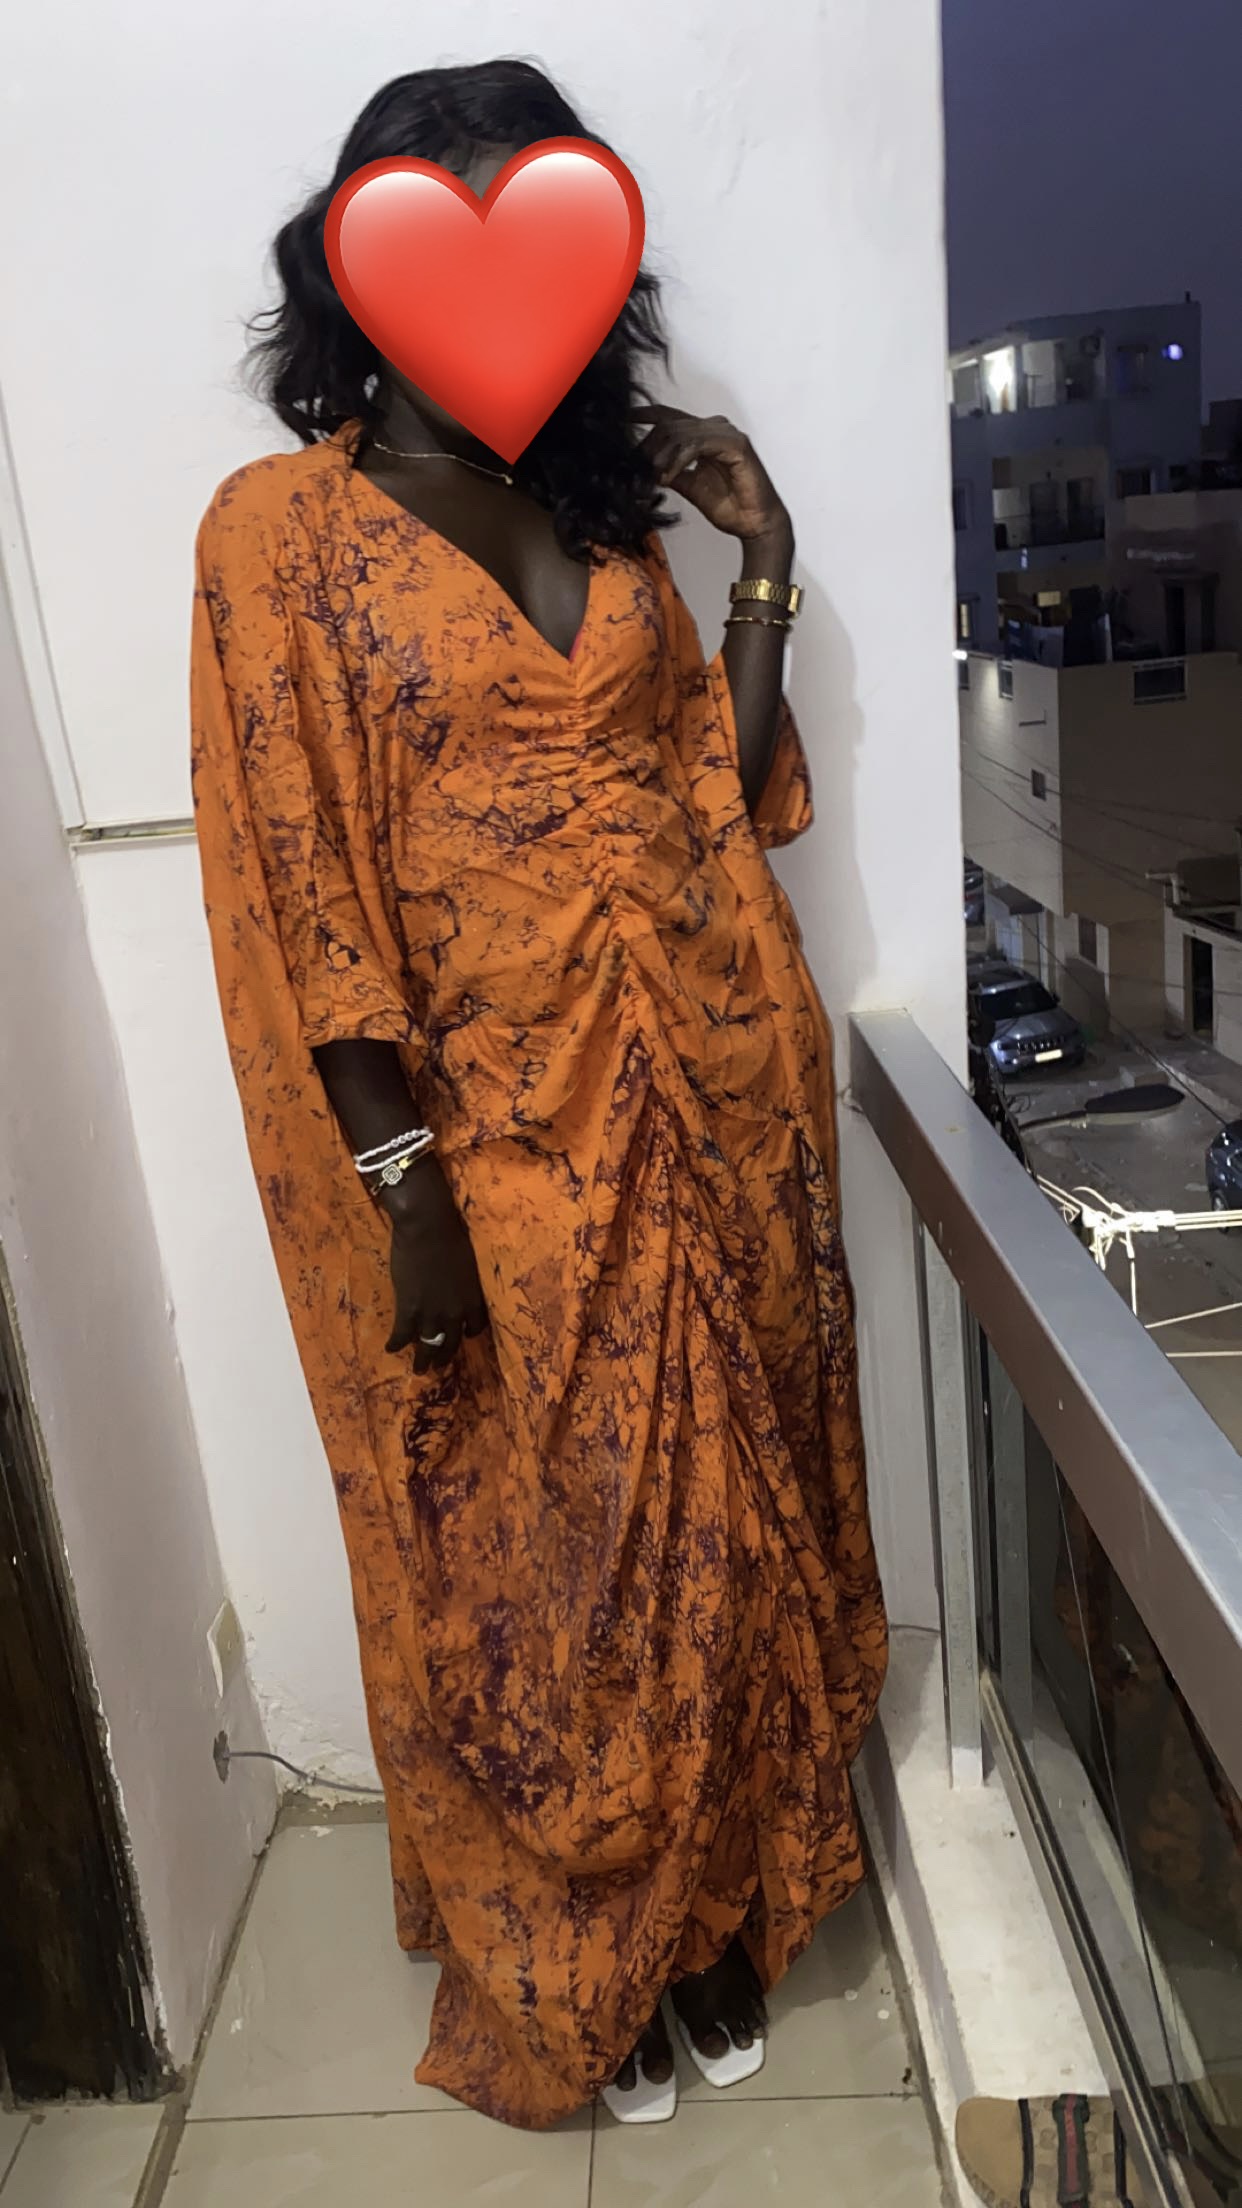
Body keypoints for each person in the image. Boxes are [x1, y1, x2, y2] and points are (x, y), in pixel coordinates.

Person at [190, 57, 887, 2131]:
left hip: (710, 1084)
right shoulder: (281, 535)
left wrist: (760, 562)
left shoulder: (605, 517)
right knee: (543, 1566)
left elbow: (698, 806)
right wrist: (403, 1183)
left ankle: (708, 1915)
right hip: (493, 1130)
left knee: (719, 1536)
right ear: (360, 264)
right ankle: (591, 1950)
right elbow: (302, 878)